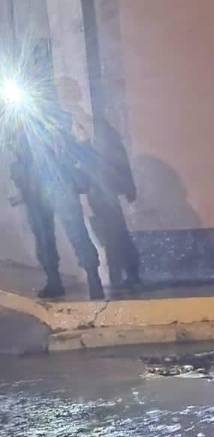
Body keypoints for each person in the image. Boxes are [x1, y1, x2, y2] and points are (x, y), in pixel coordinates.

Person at [8, 113, 104, 300]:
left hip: (52, 186)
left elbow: (73, 150)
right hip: (47, 187)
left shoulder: (48, 122)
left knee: (63, 235)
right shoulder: (49, 122)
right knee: (59, 236)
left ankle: (83, 280)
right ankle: (85, 281)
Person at [79, 117, 141, 289]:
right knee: (117, 234)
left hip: (103, 195)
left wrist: (84, 145)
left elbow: (96, 168)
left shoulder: (99, 144)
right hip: (105, 195)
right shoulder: (108, 141)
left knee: (113, 236)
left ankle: (119, 276)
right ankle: (128, 274)